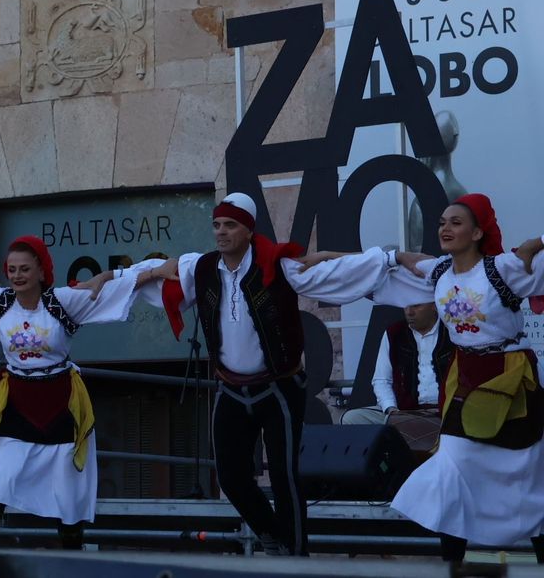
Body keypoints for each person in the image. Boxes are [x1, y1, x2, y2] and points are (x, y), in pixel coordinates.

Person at [140, 192, 411, 556]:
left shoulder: (278, 265)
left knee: (285, 477)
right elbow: (149, 276)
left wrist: (389, 258)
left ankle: (296, 556)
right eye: (217, 225)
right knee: (230, 477)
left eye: (230, 225)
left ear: (248, 231)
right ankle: (272, 536)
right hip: (231, 388)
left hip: (278, 387)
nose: (221, 232)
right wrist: (125, 276)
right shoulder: (201, 269)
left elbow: (335, 272)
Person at [0, 237, 171, 549]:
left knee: (68, 496)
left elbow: (118, 288)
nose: (17, 275)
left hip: (59, 405)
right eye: (12, 269)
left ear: (42, 271)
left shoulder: (63, 302)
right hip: (16, 404)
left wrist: (155, 272)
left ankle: (71, 561)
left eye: (25, 269)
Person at [368, 193, 544, 563]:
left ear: (478, 232)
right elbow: (406, 261)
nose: (445, 228)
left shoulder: (504, 269)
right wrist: (390, 256)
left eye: (456, 222)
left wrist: (538, 241)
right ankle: (453, 565)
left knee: (525, 474)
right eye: (442, 222)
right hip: (466, 378)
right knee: (451, 470)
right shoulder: (439, 272)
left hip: (509, 377)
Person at [341, 302, 450, 454]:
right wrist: (392, 410)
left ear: (433, 305)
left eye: (416, 306)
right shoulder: (394, 333)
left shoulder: (452, 332)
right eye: (406, 307)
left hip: (446, 411)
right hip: (403, 411)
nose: (409, 312)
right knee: (352, 418)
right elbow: (381, 380)